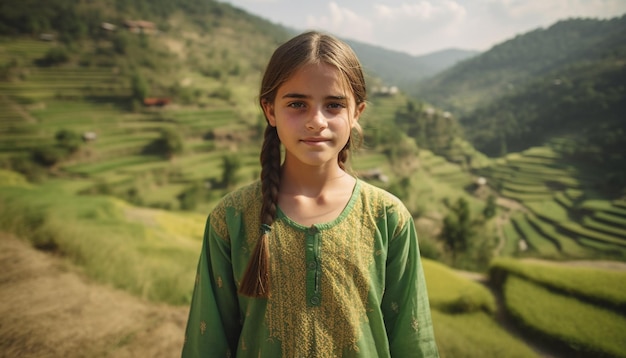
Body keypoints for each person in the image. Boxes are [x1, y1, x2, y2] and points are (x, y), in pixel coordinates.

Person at [182, 30, 439, 358]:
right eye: (297, 104)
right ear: (270, 110)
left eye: (334, 105)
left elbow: (412, 341)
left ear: (356, 113)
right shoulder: (231, 217)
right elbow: (208, 342)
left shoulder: (387, 217)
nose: (316, 121)